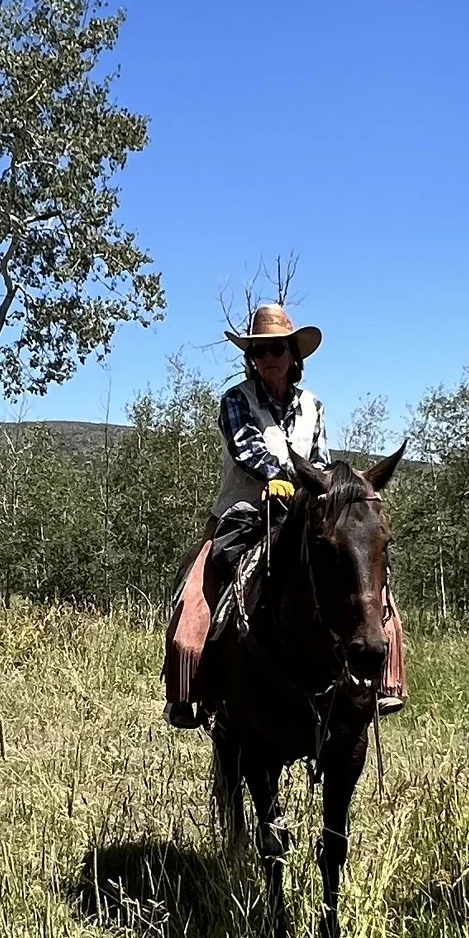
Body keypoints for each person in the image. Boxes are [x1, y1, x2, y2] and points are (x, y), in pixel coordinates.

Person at [163, 299, 405, 725]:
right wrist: (278, 473)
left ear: (294, 354)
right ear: (251, 358)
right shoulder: (235, 400)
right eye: (260, 350)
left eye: (278, 349)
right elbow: (245, 448)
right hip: (241, 516)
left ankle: (383, 682)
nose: (269, 358)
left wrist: (333, 490)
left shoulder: (313, 405)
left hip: (302, 517)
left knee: (369, 581)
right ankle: (190, 694)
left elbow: (322, 460)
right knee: (193, 605)